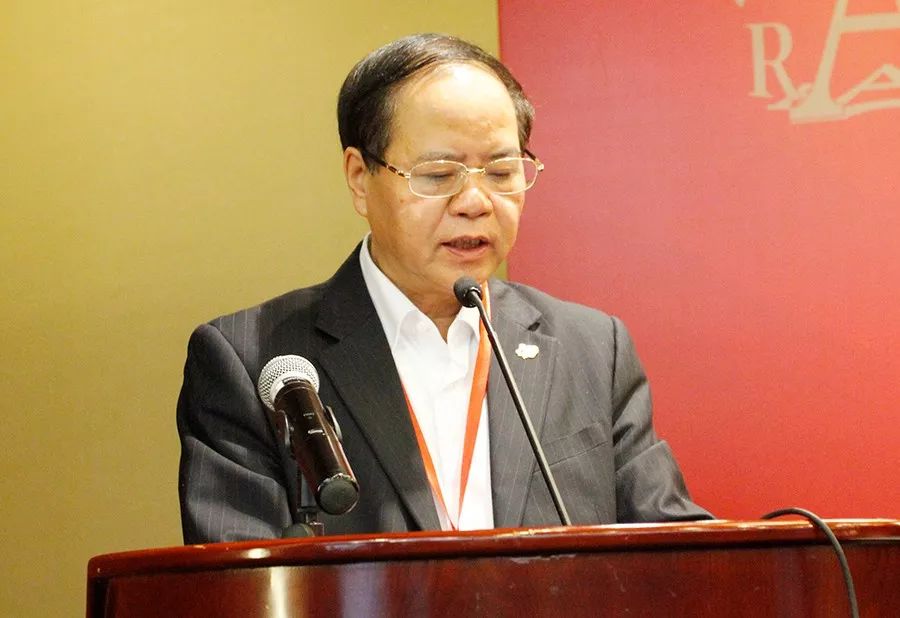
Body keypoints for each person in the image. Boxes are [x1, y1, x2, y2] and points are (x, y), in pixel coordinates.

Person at [177, 33, 711, 544]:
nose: (475, 202)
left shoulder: (591, 349)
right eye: (437, 175)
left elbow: (676, 554)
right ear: (360, 177)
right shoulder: (251, 359)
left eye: (501, 171)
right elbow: (238, 581)